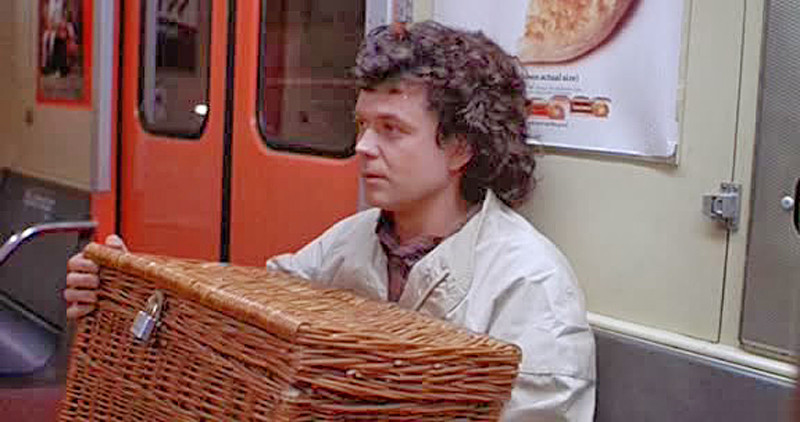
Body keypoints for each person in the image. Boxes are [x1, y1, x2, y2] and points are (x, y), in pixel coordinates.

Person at [66, 21, 595, 421]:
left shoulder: (529, 286)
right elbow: (243, 332)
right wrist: (128, 293)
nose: (363, 147)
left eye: (391, 129)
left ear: (460, 147)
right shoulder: (351, 242)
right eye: (362, 125)